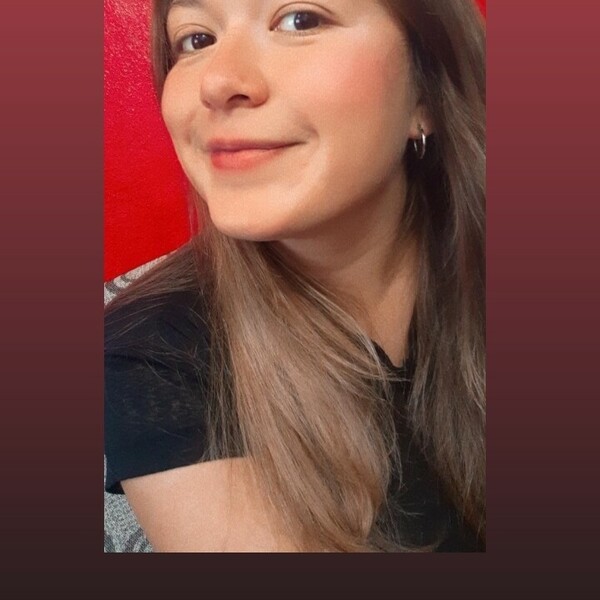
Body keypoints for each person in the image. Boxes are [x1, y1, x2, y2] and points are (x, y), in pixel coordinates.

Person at [105, 0, 486, 552]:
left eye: (299, 19)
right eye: (196, 39)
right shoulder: (151, 354)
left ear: (425, 92)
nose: (217, 82)